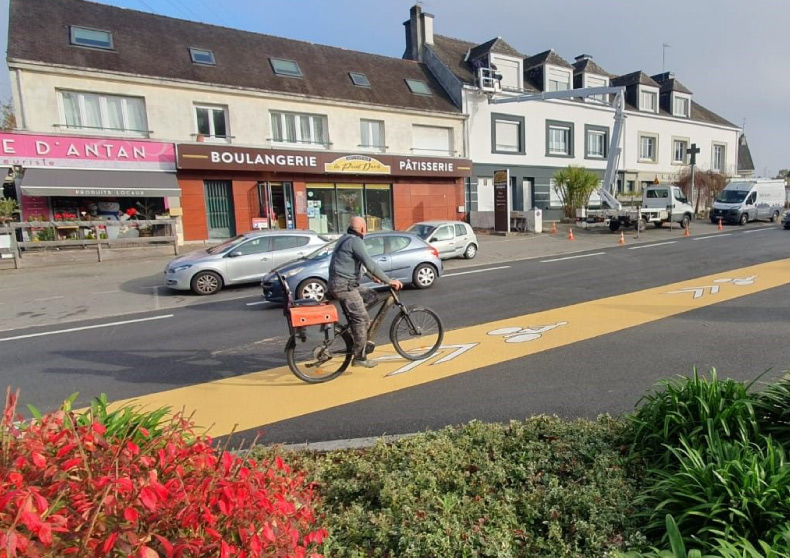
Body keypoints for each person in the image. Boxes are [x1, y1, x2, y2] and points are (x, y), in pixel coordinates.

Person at [328, 216, 402, 368]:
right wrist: (388, 281)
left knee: (372, 296)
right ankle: (359, 357)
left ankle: (356, 322)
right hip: (345, 287)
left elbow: (359, 264)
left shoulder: (345, 238)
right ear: (363, 229)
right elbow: (369, 263)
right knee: (362, 319)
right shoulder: (356, 241)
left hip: (341, 284)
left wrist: (372, 276)